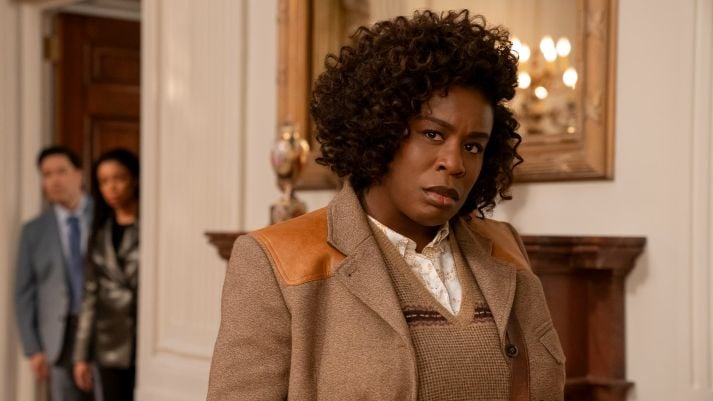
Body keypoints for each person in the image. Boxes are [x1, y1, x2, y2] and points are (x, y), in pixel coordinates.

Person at [207, 10, 565, 401]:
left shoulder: (504, 248)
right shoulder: (273, 262)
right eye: (433, 134)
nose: (455, 163)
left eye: (473, 146)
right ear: (379, 130)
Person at [15, 146, 93, 401]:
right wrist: (33, 348)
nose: (54, 180)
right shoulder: (33, 231)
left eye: (61, 171)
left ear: (79, 174)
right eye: (47, 174)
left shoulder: (104, 216)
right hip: (58, 338)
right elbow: (24, 292)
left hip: (100, 331)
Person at [72, 149, 140, 401]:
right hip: (109, 342)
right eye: (103, 181)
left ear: (134, 179)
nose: (111, 187)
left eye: (119, 178)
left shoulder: (153, 225)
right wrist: (81, 355)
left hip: (146, 335)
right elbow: (90, 296)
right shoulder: (99, 232)